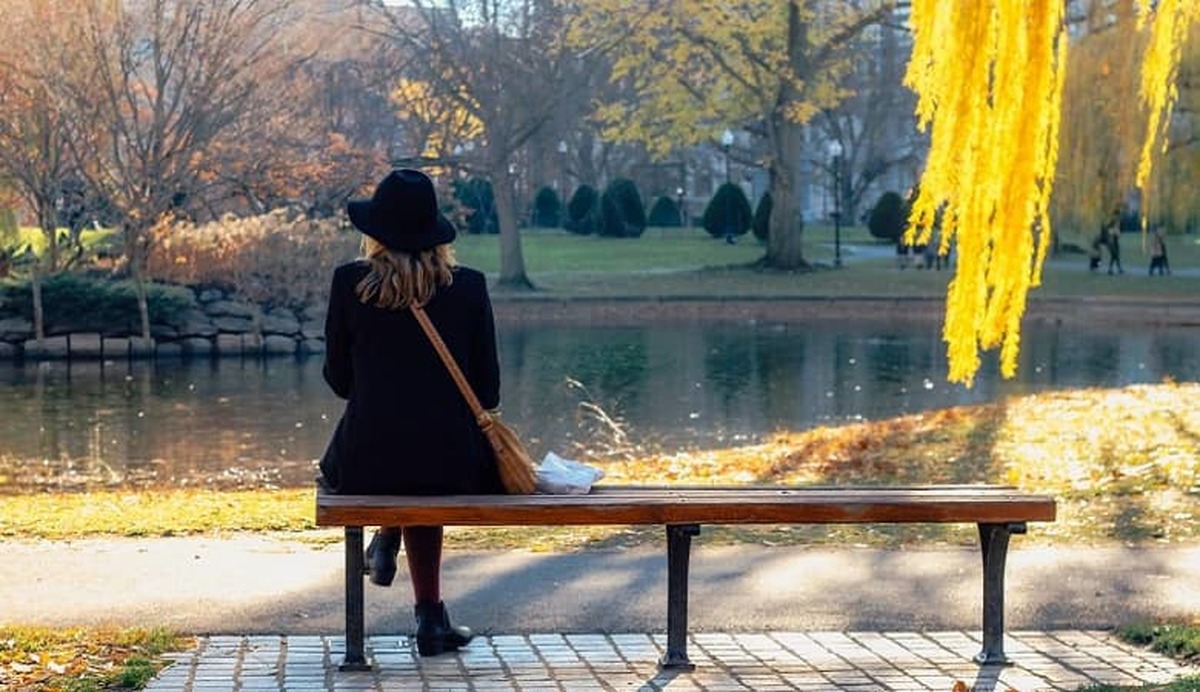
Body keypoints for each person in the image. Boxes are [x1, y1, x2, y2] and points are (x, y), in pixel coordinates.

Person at [319, 168, 504, 657]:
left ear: (376, 231)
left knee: (402, 460)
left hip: (366, 462)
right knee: (426, 465)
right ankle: (429, 619)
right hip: (451, 464)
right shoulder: (469, 287)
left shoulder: (349, 283)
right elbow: (487, 391)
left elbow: (339, 381)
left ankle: (388, 535)